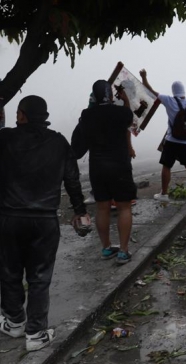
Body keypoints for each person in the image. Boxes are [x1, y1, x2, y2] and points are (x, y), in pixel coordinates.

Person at [0, 96, 88, 352]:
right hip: (44, 221)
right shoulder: (58, 141)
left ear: (22, 115)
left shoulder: (5, 138)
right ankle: (36, 333)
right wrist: (79, 211)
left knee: (10, 272)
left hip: (10, 219)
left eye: (18, 112)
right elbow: (72, 179)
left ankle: (13, 320)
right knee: (40, 277)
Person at [71, 80, 137, 265]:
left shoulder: (87, 115)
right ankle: (123, 251)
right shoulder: (121, 112)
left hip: (97, 167)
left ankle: (106, 248)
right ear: (110, 94)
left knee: (102, 208)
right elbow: (129, 120)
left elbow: (81, 137)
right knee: (124, 207)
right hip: (120, 165)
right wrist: (125, 101)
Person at [140, 70, 186, 200]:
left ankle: (164, 193)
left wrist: (144, 77)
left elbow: (150, 89)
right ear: (183, 90)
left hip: (172, 140)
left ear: (173, 90)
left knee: (167, 166)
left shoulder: (168, 100)